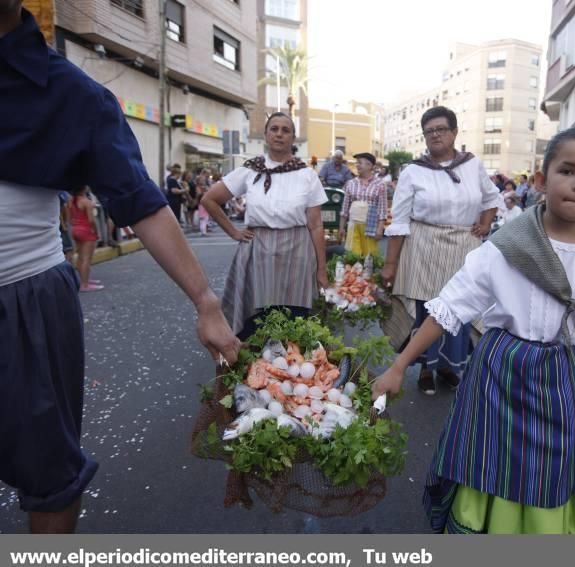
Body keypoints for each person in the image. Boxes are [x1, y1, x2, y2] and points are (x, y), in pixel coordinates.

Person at [0, 3, 239, 533]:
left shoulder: (75, 95)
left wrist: (206, 301)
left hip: (26, 301)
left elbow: (140, 201)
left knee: (50, 476)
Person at [373, 126, 575, 534]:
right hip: (503, 377)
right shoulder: (505, 248)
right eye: (567, 170)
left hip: (570, 381)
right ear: (541, 179)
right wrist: (399, 367)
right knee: (493, 463)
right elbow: (448, 309)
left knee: (558, 470)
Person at [382, 106, 500, 395]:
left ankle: (449, 366)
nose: (435, 135)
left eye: (441, 129)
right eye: (429, 131)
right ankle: (425, 367)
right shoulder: (413, 171)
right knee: (427, 311)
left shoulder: (473, 165)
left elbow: (491, 197)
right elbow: (399, 220)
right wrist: (390, 264)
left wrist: (485, 223)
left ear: (454, 132)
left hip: (464, 249)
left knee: (460, 310)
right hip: (423, 248)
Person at [202, 112, 329, 341]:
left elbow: (316, 225)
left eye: (285, 130)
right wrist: (234, 232)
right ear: (266, 135)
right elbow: (209, 200)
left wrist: (321, 269)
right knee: (254, 324)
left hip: (298, 253)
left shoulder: (307, 175)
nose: (279, 134)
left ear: (293, 138)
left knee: (295, 322)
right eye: (274, 129)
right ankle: (252, 373)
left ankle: (291, 373)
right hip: (257, 251)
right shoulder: (250, 170)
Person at [338, 152, 388, 256]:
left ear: (370, 166)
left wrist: (380, 229)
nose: (357, 165)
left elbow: (382, 209)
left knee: (369, 258)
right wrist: (341, 228)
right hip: (353, 225)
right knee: (353, 256)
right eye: (357, 163)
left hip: (370, 226)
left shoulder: (380, 184)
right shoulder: (351, 183)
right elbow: (345, 208)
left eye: (360, 163)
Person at [69, 186, 103, 292]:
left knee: (80, 257)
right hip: (86, 230)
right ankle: (84, 284)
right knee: (87, 259)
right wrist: (96, 232)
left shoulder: (70, 201)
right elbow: (91, 220)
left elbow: (70, 219)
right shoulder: (86, 202)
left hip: (75, 229)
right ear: (84, 189)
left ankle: (84, 280)